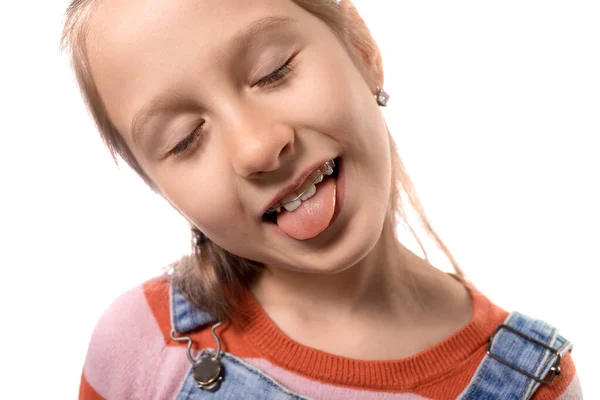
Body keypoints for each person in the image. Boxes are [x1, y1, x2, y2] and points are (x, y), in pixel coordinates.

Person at [62, 0, 582, 398]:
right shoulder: (138, 341)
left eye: (273, 71)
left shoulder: (533, 383)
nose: (257, 147)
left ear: (361, 47)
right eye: (183, 140)